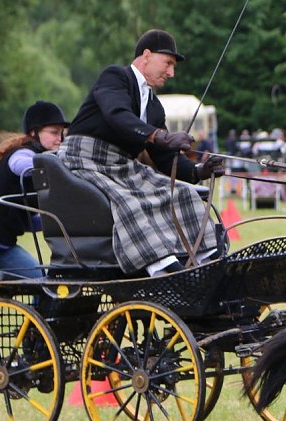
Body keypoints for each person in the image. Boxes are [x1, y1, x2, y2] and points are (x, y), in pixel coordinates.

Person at [58, 29, 224, 276]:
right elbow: (117, 115)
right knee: (129, 202)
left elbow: (164, 157)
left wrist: (200, 170)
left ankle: (207, 259)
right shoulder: (115, 77)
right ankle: (162, 267)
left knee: (184, 193)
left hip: (121, 164)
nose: (171, 73)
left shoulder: (154, 107)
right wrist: (160, 135)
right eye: (168, 63)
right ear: (147, 55)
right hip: (83, 158)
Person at [0, 101, 70, 278]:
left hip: (5, 246)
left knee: (41, 282)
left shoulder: (43, 162)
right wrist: (58, 165)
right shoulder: (23, 153)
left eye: (61, 133)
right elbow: (19, 165)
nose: (60, 138)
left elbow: (28, 221)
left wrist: (61, 219)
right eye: (54, 132)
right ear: (34, 132)